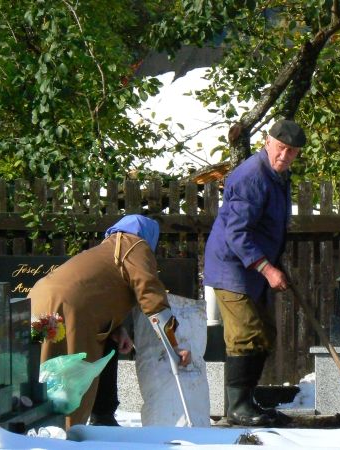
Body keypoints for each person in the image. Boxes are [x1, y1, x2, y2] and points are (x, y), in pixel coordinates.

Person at [29, 214, 191, 429]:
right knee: (70, 375)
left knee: (41, 368)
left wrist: (118, 328)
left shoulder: (107, 248)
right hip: (72, 310)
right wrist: (174, 344)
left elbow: (100, 289)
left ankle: (30, 429)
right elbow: (151, 296)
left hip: (38, 297)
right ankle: (63, 435)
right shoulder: (136, 245)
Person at [203, 119, 306, 426]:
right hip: (231, 266)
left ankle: (247, 400)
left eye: (292, 152)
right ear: (267, 141)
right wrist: (266, 267)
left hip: (253, 267)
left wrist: (271, 264)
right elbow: (237, 233)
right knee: (246, 334)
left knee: (265, 333)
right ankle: (236, 407)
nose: (285, 156)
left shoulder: (278, 176)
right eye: (281, 148)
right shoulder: (251, 176)